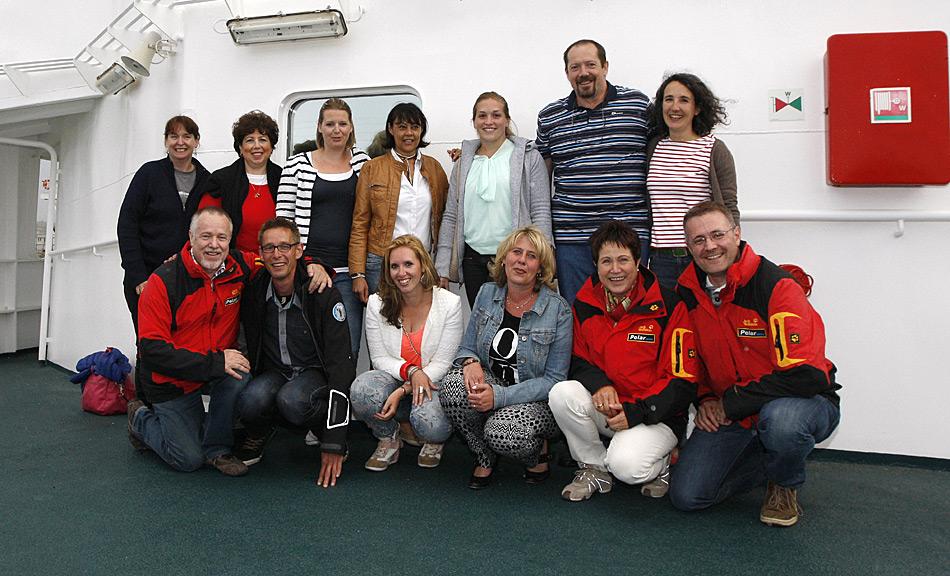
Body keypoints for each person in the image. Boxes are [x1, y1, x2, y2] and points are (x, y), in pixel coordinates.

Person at [669, 201, 841, 527]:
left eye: (717, 235)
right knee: (687, 496)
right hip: (733, 410)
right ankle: (771, 460)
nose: (710, 246)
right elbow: (690, 360)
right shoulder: (686, 292)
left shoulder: (777, 286)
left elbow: (807, 375)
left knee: (783, 422)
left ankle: (783, 482)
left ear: (736, 234)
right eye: (698, 240)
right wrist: (706, 399)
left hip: (799, 402)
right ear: (688, 247)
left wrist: (731, 402)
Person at [548, 220, 699, 501]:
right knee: (562, 393)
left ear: (638, 262)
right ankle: (594, 468)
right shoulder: (584, 303)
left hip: (656, 415)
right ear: (596, 265)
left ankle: (663, 463)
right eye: (606, 261)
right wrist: (601, 385)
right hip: (612, 409)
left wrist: (638, 411)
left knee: (626, 467)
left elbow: (683, 381)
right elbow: (578, 360)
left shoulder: (670, 306)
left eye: (623, 260)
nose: (615, 269)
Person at [127, 207, 257, 476]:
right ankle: (140, 419)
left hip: (212, 368)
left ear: (230, 240)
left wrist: (316, 265)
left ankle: (217, 449)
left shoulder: (240, 265)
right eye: (206, 236)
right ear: (191, 237)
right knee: (187, 459)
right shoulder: (162, 281)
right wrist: (215, 363)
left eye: (221, 237)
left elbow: (277, 258)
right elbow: (152, 350)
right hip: (170, 380)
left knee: (239, 374)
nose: (214, 245)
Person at [440, 226, 572, 489]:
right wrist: (470, 362)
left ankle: (537, 453)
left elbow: (554, 381)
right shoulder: (487, 293)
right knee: (452, 385)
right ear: (504, 259)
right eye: (516, 252)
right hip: (492, 387)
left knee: (503, 433)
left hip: (535, 401)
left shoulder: (558, 310)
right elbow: (466, 347)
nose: (522, 260)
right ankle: (484, 455)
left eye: (531, 256)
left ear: (540, 268)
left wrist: (499, 397)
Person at [234, 218, 355, 488]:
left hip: (314, 374)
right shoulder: (254, 290)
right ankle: (260, 432)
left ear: (299, 250)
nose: (276, 254)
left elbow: (341, 366)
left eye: (284, 247)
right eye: (269, 248)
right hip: (276, 371)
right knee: (250, 399)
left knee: (292, 400)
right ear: (261, 253)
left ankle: (322, 431)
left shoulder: (322, 292)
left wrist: (334, 440)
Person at [536, 39, 650, 304]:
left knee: (633, 311)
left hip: (629, 234)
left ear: (605, 67)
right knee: (579, 311)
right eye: (575, 67)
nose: (583, 73)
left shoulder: (638, 105)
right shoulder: (550, 116)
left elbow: (661, 152)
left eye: (590, 65)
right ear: (567, 73)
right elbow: (539, 175)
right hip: (572, 238)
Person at [350, 235, 461, 470]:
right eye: (394, 266)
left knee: (430, 424)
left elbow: (443, 363)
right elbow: (378, 359)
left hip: (432, 382)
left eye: (408, 264)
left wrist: (405, 389)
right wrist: (411, 371)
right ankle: (389, 438)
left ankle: (433, 441)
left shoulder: (449, 303)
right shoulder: (377, 303)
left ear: (423, 266)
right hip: (396, 377)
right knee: (362, 390)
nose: (401, 273)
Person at [435, 91, 552, 307]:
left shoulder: (529, 158)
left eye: (496, 115)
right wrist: (442, 265)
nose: (489, 121)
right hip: (472, 261)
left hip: (515, 260)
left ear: (507, 120)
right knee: (482, 323)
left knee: (515, 322)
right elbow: (451, 216)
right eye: (482, 116)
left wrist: (543, 260)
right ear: (474, 121)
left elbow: (541, 210)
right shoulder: (462, 164)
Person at [276, 98, 371, 358]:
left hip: (350, 274)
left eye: (342, 124)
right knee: (311, 348)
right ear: (319, 127)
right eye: (330, 124)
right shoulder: (297, 165)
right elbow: (283, 224)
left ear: (351, 127)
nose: (336, 130)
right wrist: (305, 262)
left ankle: (344, 388)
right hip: (310, 271)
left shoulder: (364, 163)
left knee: (348, 348)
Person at [117, 115, 209, 334]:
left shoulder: (207, 180)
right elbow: (127, 225)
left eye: (187, 136)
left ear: (196, 141)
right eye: (174, 136)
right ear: (166, 141)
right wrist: (139, 277)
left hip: (187, 279)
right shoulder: (149, 174)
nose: (180, 142)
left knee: (184, 341)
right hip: (147, 276)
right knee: (149, 343)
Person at [349, 103, 449, 304]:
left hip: (424, 262)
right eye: (402, 127)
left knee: (421, 319)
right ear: (390, 129)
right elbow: (360, 223)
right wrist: (357, 273)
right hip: (382, 262)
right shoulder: (372, 168)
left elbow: (446, 220)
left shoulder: (434, 168)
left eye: (415, 127)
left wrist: (442, 267)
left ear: (422, 130)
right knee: (384, 318)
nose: (409, 133)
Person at [646, 73, 738, 288]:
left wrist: (731, 253)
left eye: (684, 100)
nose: (674, 107)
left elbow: (729, 205)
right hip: (661, 259)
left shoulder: (714, 149)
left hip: (702, 256)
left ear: (697, 108)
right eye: (668, 99)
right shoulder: (654, 147)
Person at [186, 110, 282, 253]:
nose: (257, 146)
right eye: (250, 140)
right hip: (234, 261)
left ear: (271, 146)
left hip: (276, 261)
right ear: (240, 147)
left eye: (262, 139)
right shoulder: (221, 180)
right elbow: (204, 225)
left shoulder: (284, 178)